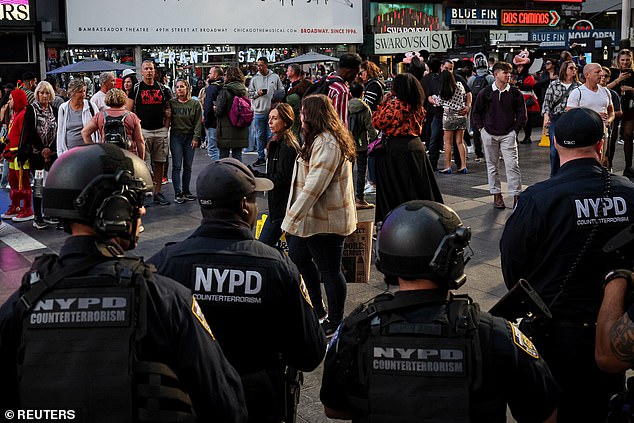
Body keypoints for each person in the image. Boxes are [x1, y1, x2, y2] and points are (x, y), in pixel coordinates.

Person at [0, 144, 247, 422]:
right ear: (114, 210)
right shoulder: (163, 298)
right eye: (135, 202)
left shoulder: (24, 302)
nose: (141, 212)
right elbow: (226, 405)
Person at [320, 200, 559, 423]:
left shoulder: (356, 330)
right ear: (451, 260)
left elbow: (333, 408)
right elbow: (544, 414)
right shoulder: (494, 334)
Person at [148, 157, 325, 423]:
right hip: (259, 401)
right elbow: (310, 352)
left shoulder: (164, 264)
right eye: (254, 200)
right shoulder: (278, 267)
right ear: (244, 206)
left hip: (188, 402)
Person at [500, 108, 634, 423]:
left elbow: (513, 269)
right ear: (601, 144)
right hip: (615, 335)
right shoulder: (629, 192)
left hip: (554, 334)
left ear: (557, 144)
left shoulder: (538, 198)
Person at [282, 94, 357, 336]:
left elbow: (313, 187)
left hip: (326, 221)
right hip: (312, 219)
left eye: (303, 112)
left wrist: (289, 221)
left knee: (330, 271)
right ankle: (318, 309)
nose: (300, 116)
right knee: (298, 256)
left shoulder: (327, 144)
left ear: (313, 115)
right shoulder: (317, 139)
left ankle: (335, 321)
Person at [372, 72, 443, 224]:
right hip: (416, 147)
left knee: (396, 189)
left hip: (396, 149)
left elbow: (378, 122)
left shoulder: (395, 105)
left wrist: (382, 103)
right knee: (418, 187)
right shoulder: (418, 105)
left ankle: (397, 223)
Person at [471, 61, 527, 209]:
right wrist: (481, 129)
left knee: (512, 165)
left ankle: (516, 195)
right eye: (505, 72)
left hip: (508, 133)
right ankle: (496, 194)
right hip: (489, 133)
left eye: (509, 72)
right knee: (492, 165)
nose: (508, 75)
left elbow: (522, 114)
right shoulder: (486, 92)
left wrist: (514, 130)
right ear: (496, 74)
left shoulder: (515, 93)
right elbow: (475, 112)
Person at [250, 103, 299, 247]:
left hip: (284, 209)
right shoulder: (276, 142)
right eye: (269, 118)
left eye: (275, 118)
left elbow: (281, 179)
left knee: (264, 248)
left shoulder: (288, 146)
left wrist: (256, 176)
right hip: (278, 208)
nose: (270, 122)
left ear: (285, 121)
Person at [126, 59, 173, 206]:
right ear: (142, 71)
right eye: (146, 69)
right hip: (143, 131)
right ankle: (142, 193)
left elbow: (168, 109)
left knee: (159, 163)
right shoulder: (136, 88)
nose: (149, 71)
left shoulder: (162, 88)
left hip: (160, 130)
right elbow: (128, 111)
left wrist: (165, 127)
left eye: (151, 69)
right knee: (141, 164)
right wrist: (134, 132)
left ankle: (158, 192)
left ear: (154, 71)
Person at [20, 81, 58, 229]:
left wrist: (50, 149)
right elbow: (29, 132)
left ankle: (49, 212)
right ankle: (38, 215)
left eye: (47, 93)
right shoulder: (31, 109)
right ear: (37, 94)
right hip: (37, 155)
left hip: (52, 153)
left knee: (50, 184)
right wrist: (42, 149)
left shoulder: (54, 110)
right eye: (41, 93)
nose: (44, 96)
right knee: (38, 185)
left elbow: (58, 130)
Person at [565, 63, 615, 168]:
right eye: (597, 72)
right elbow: (570, 114)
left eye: (601, 71)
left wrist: (609, 121)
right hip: (584, 135)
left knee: (602, 161)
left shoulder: (605, 91)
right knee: (586, 162)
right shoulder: (577, 92)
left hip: (603, 133)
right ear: (587, 75)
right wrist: (593, 115)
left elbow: (611, 112)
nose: (601, 74)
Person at [81, 88, 144, 160]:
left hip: (107, 155)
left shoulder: (100, 116)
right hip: (128, 156)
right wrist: (141, 160)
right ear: (124, 99)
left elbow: (84, 133)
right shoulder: (131, 116)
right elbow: (140, 140)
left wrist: (93, 151)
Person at [542, 60, 580, 176]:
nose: (574, 70)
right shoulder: (554, 84)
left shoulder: (579, 86)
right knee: (554, 149)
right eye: (571, 68)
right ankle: (554, 175)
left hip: (573, 118)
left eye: (575, 68)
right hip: (557, 118)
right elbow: (547, 103)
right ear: (565, 70)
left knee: (573, 148)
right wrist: (546, 119)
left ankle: (569, 174)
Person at [168, 79, 202, 204]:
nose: (180, 89)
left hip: (189, 137)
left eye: (182, 86)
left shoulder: (195, 104)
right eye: (177, 87)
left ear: (187, 88)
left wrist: (196, 137)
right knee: (177, 166)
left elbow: (198, 122)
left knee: (188, 166)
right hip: (176, 136)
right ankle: (178, 193)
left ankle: (186, 191)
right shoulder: (172, 103)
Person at [2, 89, 33, 222]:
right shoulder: (14, 114)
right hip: (12, 155)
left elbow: (25, 136)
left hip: (20, 155)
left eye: (10, 99)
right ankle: (15, 206)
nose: (8, 101)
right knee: (12, 181)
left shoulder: (24, 114)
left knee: (23, 183)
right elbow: (11, 135)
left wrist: (22, 153)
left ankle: (27, 209)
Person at [249, 56, 284, 167]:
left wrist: (276, 98)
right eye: (258, 65)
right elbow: (249, 94)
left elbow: (281, 90)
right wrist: (257, 94)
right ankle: (261, 157)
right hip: (259, 111)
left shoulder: (275, 77)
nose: (259, 67)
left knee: (271, 135)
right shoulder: (254, 79)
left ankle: (271, 156)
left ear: (266, 65)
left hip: (272, 111)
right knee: (260, 136)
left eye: (261, 65)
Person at [348, 82, 376, 209]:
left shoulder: (345, 106)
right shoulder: (365, 108)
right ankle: (359, 198)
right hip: (361, 143)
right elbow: (370, 128)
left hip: (347, 142)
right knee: (361, 172)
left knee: (347, 172)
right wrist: (375, 140)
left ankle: (347, 198)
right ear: (362, 93)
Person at [607, 50, 634, 176]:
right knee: (612, 137)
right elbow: (605, 88)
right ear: (618, 60)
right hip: (615, 108)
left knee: (628, 135)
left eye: (627, 60)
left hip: (630, 108)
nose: (625, 62)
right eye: (622, 60)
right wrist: (618, 80)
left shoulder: (633, 74)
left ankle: (628, 167)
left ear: (631, 60)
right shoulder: (612, 73)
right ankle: (609, 165)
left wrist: (631, 89)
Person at [57, 79, 99, 157]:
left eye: (84, 91)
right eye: (80, 92)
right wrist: (60, 153)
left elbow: (98, 130)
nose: (83, 94)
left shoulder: (91, 107)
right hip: (69, 153)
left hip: (88, 153)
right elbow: (60, 132)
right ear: (72, 93)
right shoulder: (63, 108)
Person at [437, 69, 468, 174]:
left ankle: (447, 166)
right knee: (460, 142)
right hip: (461, 115)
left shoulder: (443, 89)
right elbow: (464, 96)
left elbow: (439, 102)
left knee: (448, 143)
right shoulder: (459, 85)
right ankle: (463, 166)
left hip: (448, 116)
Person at [215, 67, 249, 162]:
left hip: (226, 129)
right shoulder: (244, 90)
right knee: (238, 157)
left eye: (225, 75)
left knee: (223, 159)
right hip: (240, 127)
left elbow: (219, 111)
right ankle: (238, 176)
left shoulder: (225, 90)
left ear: (229, 76)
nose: (224, 77)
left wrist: (215, 108)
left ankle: (223, 176)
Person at [323, 53, 362, 126]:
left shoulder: (325, 80)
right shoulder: (341, 90)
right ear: (349, 71)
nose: (356, 77)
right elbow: (340, 122)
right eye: (356, 73)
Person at [601, 66, 624, 173]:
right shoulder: (585, 91)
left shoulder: (612, 94)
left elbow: (619, 112)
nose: (603, 78)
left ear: (609, 78)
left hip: (607, 129)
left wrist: (609, 115)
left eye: (606, 76)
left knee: (607, 154)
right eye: (601, 75)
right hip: (590, 129)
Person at [203, 66, 224, 161]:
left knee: (212, 149)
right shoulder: (225, 86)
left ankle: (219, 169)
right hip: (224, 122)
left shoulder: (212, 88)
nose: (209, 75)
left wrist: (206, 122)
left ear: (215, 75)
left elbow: (208, 107)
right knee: (222, 149)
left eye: (210, 73)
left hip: (213, 123)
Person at [285, 64, 312, 138]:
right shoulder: (289, 85)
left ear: (293, 72)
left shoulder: (301, 86)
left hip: (298, 118)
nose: (286, 73)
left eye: (288, 71)